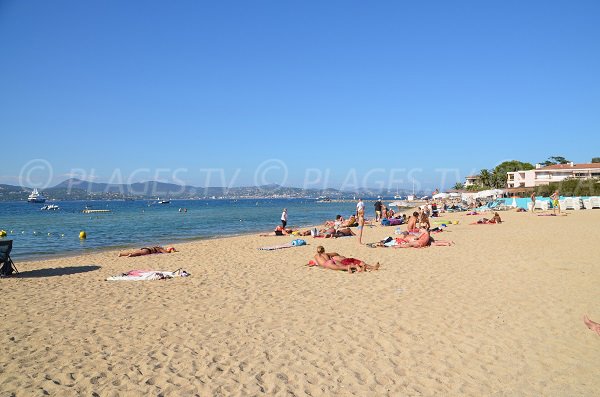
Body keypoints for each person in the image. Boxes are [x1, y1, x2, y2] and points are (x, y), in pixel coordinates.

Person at [313, 246, 379, 272]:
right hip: (337, 260)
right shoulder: (327, 254)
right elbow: (335, 253)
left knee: (342, 267)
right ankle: (372, 267)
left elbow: (319, 264)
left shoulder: (316, 256)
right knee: (357, 263)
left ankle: (355, 268)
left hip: (328, 263)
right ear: (323, 250)